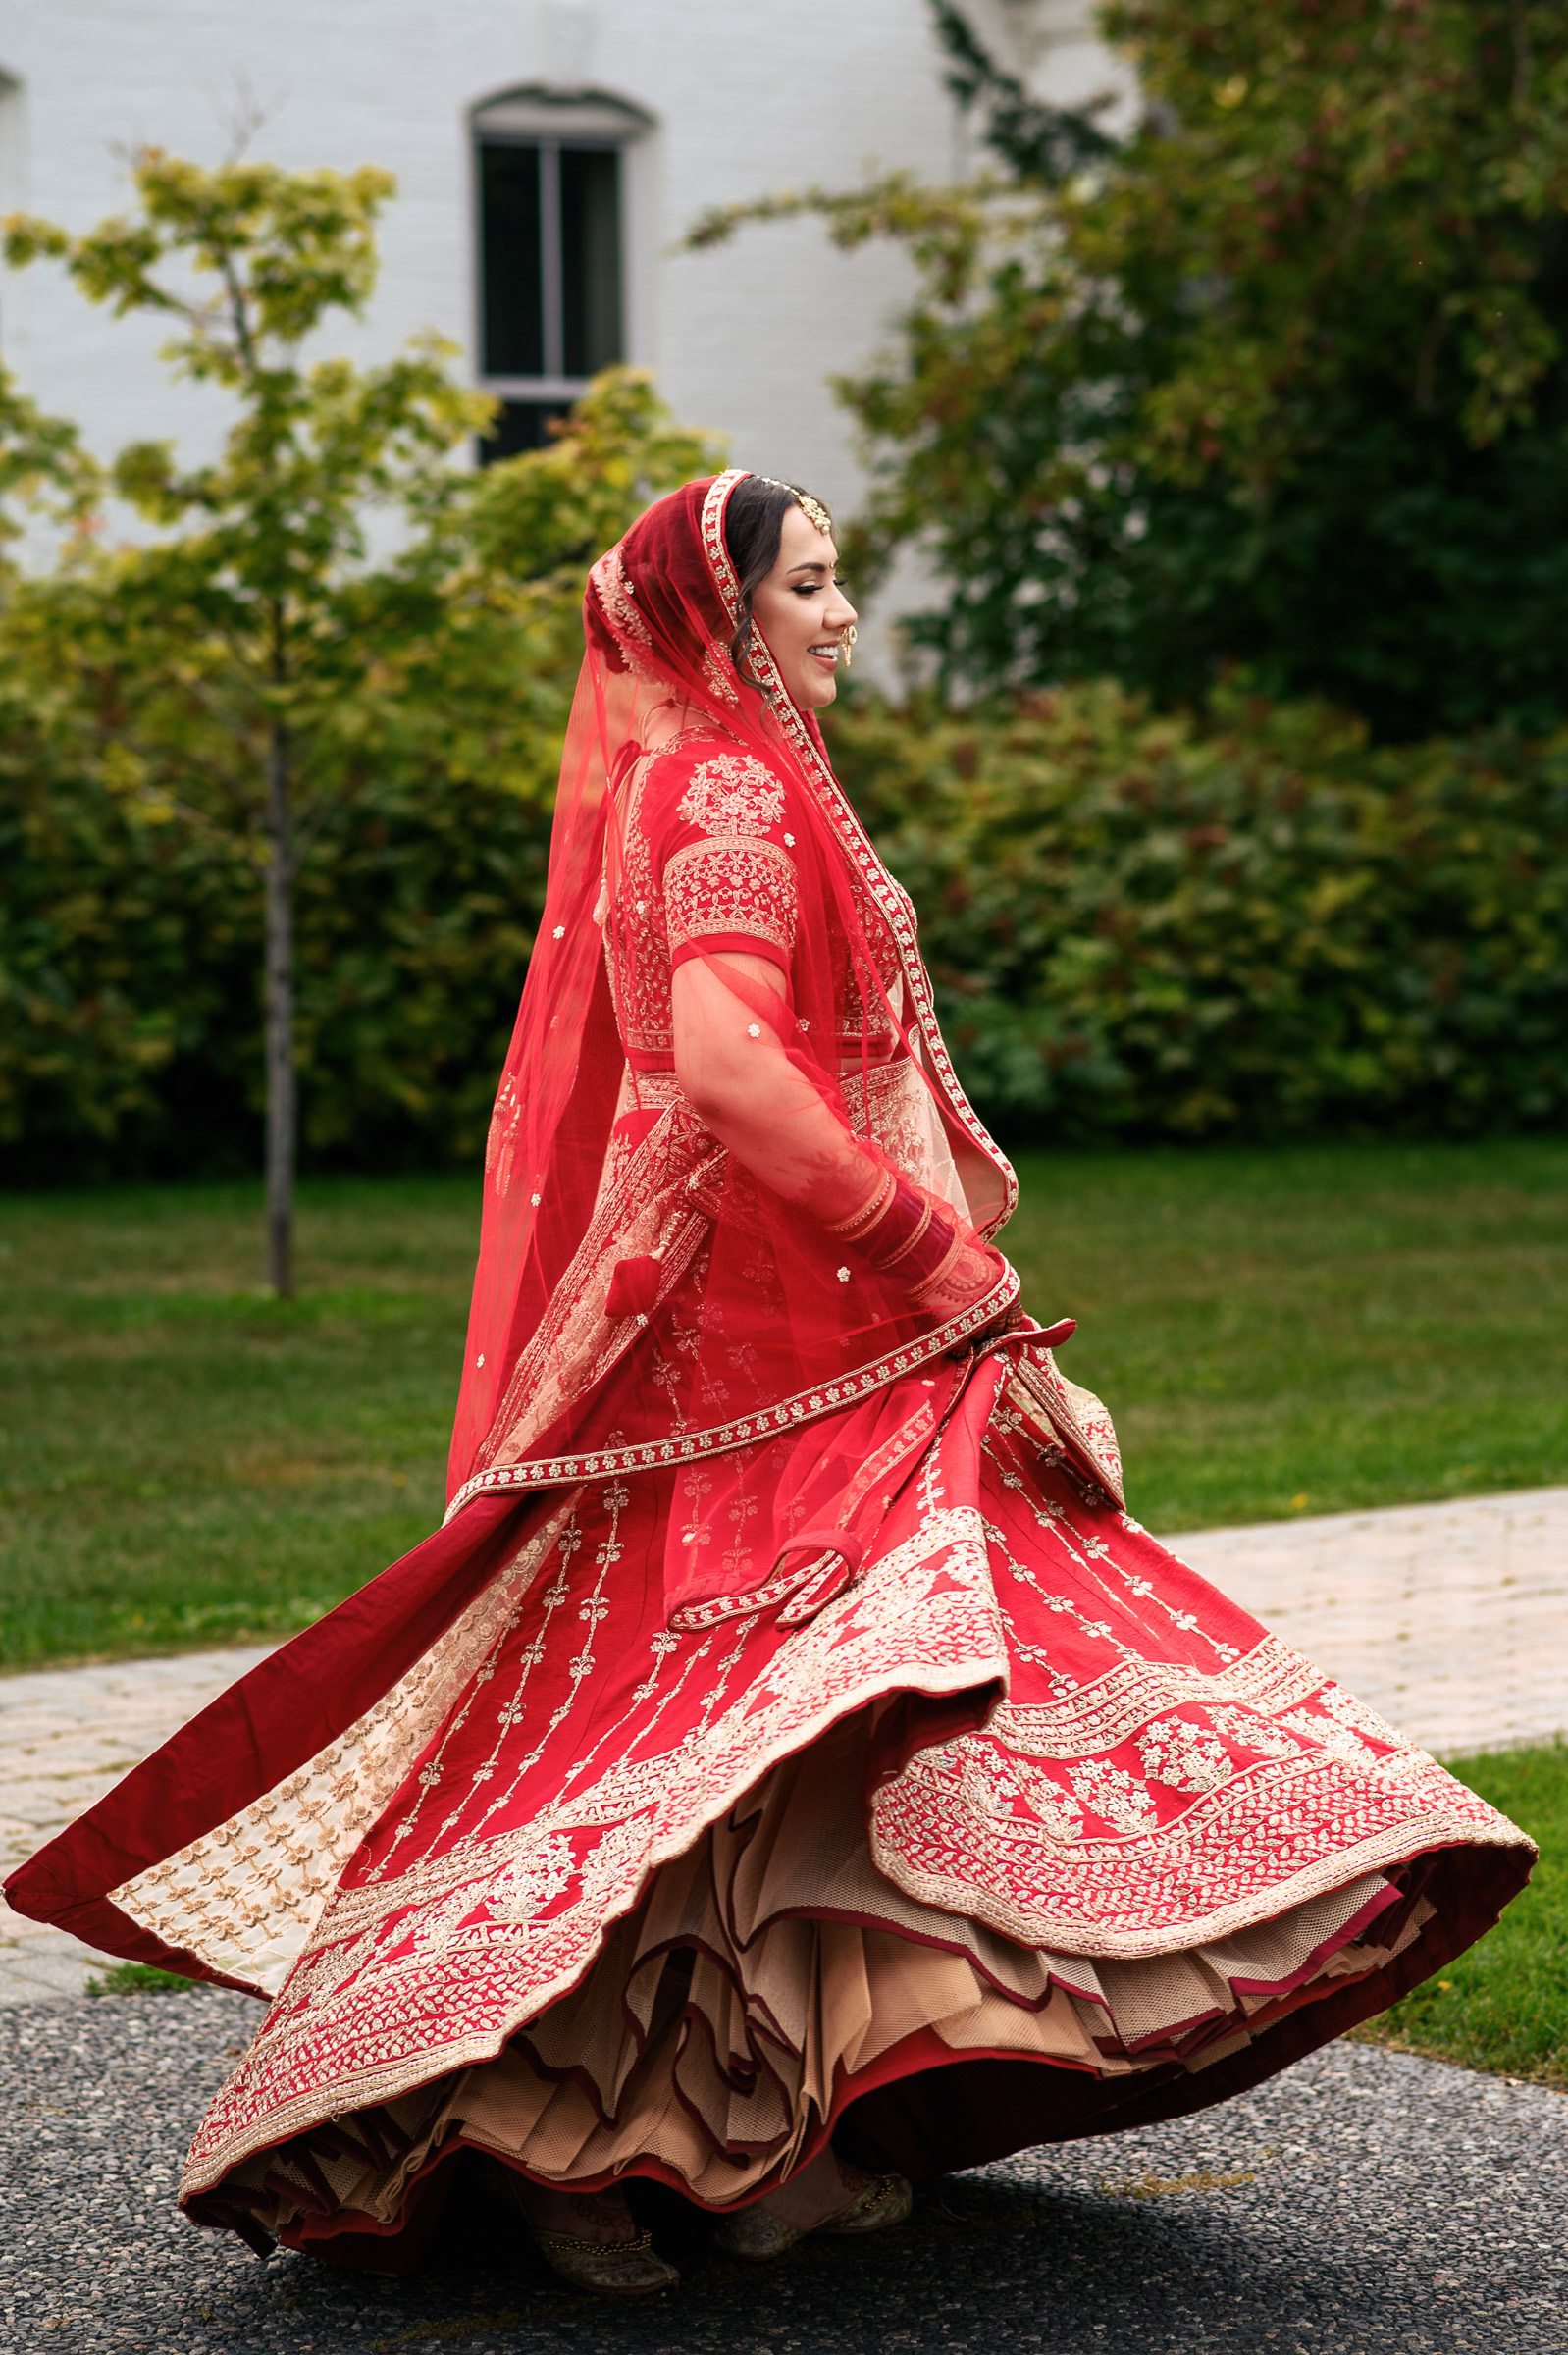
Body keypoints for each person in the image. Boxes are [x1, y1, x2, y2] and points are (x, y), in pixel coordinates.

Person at [7, 471, 1533, 2301]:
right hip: (765, 1341)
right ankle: (568, 2140)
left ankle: (725, 2139)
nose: (843, 611)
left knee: (755, 1744)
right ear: (720, 613)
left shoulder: (719, 772)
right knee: (715, 1747)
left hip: (769, 1324)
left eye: (841, 577)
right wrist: (929, 1251)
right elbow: (729, 1070)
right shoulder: (725, 783)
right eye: (808, 582)